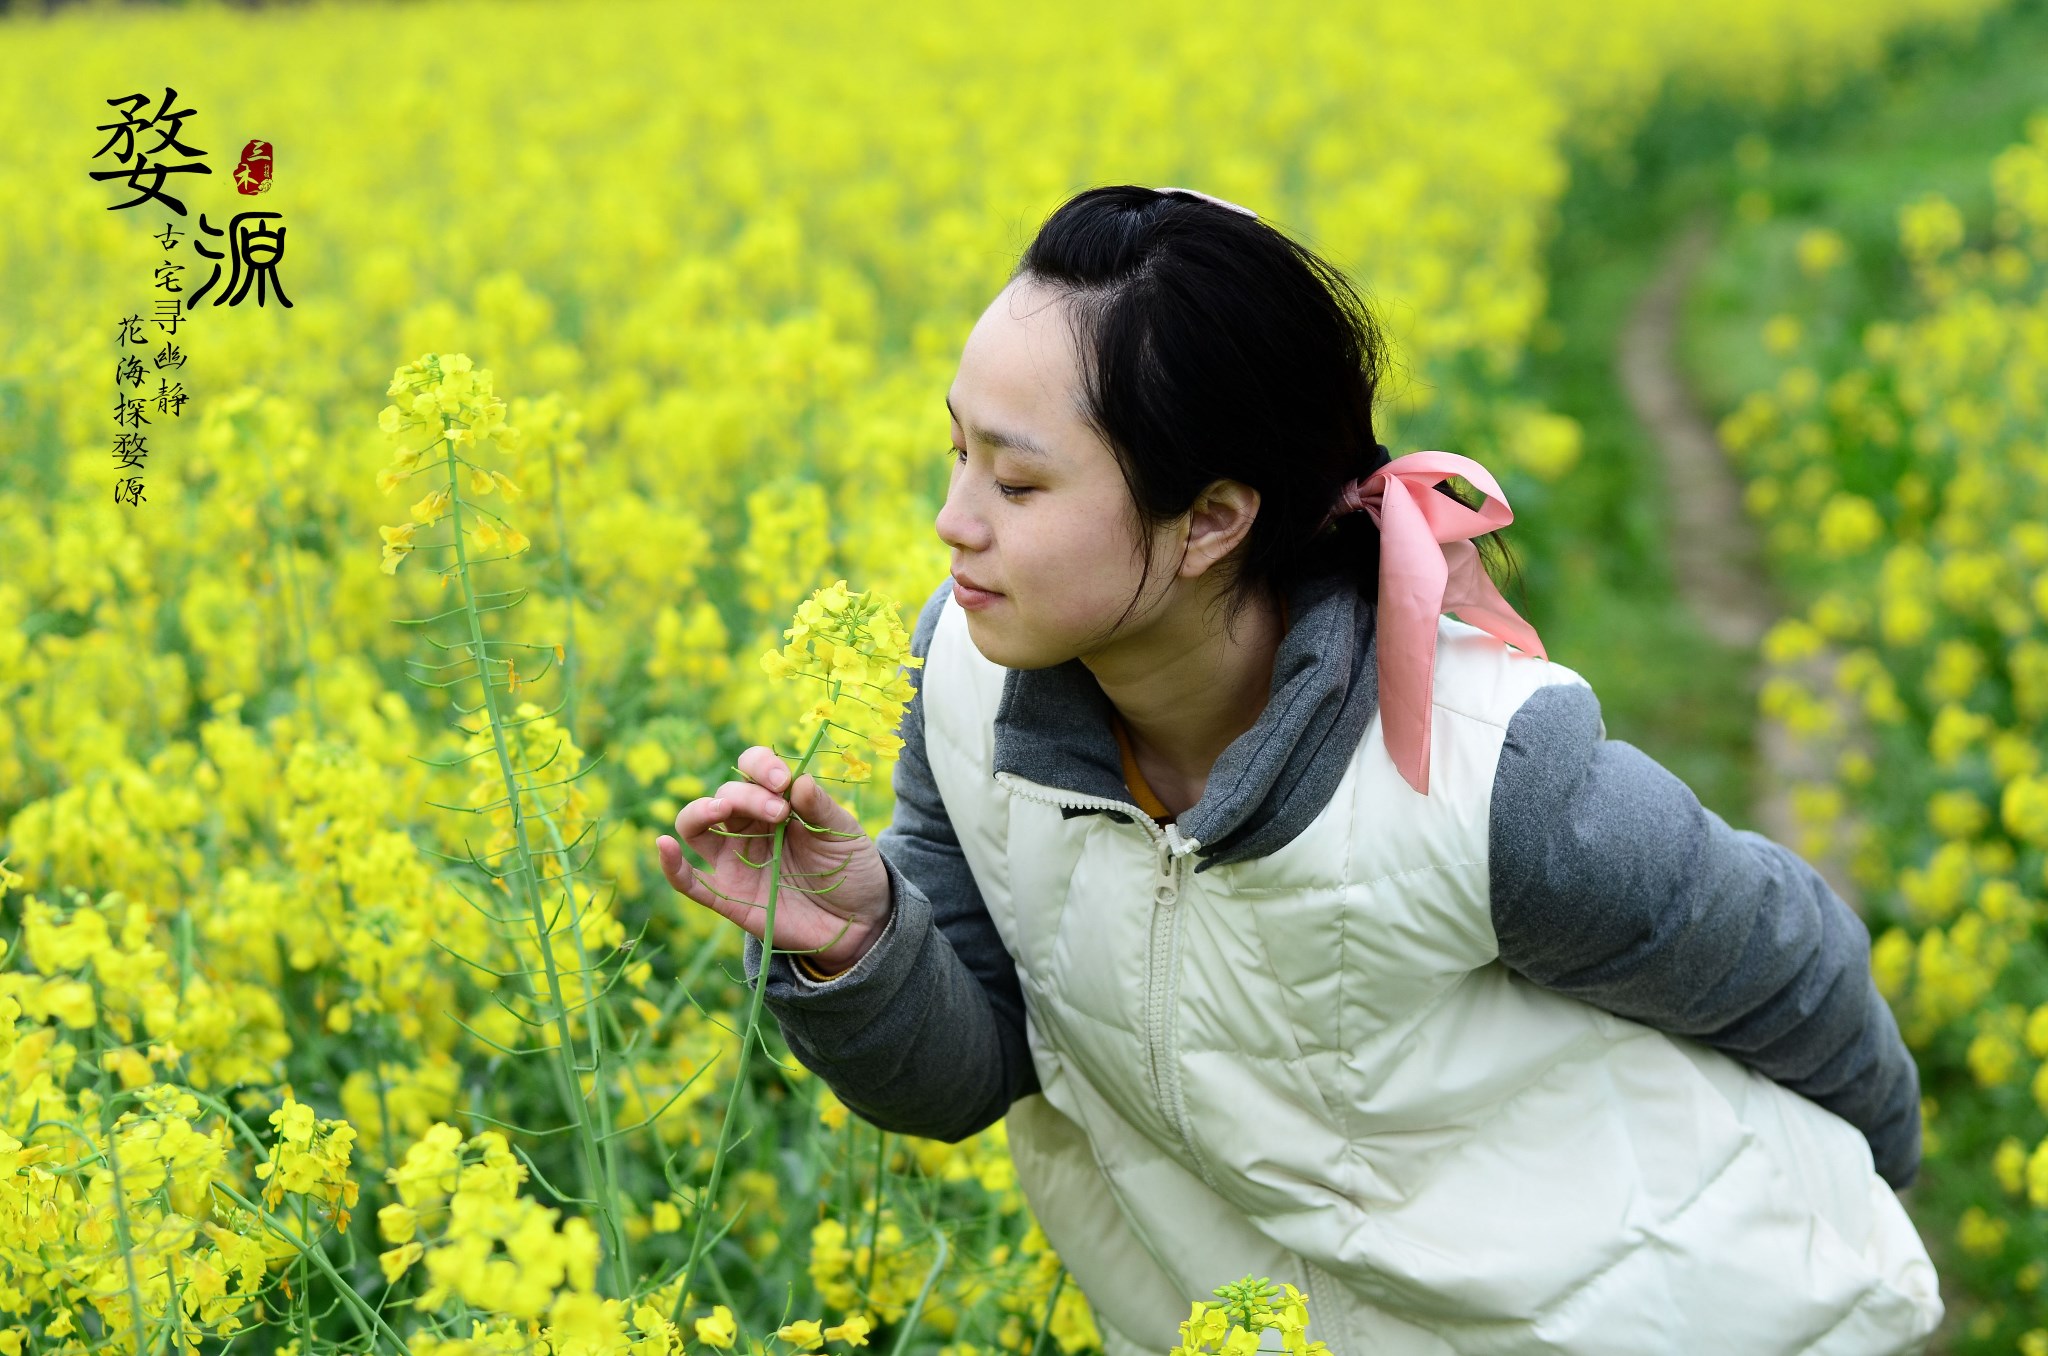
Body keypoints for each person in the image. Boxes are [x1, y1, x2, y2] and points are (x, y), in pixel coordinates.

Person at [655, 185, 1943, 1355]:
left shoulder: (1493, 776)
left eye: (1020, 481)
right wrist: (864, 943)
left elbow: (1797, 970)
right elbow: (978, 1066)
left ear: (1213, 518)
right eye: (957, 454)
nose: (955, 519)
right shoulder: (960, 683)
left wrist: (1859, 1199)